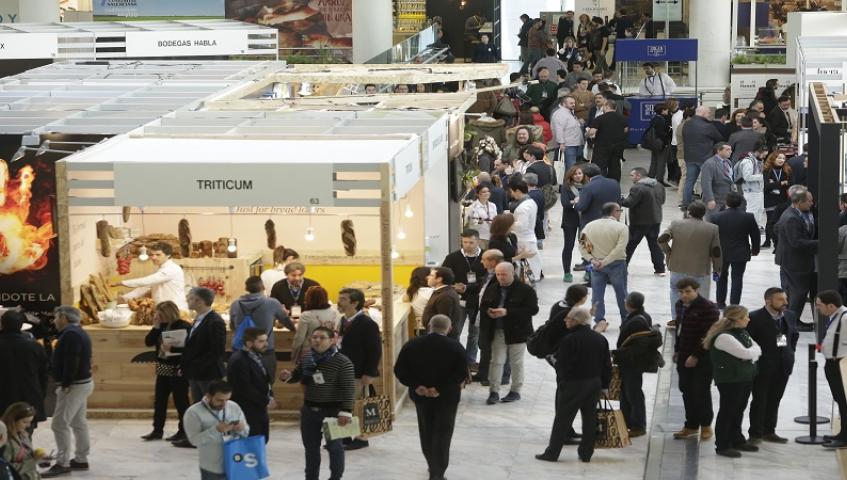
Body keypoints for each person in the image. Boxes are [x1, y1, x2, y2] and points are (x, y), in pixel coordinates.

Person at [394, 314, 468, 480]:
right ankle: (438, 472)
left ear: (429, 326)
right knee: (443, 433)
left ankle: (431, 464)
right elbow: (461, 373)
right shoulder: (455, 347)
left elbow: (400, 370)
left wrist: (417, 386)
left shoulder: (412, 344)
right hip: (446, 398)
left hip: (421, 397)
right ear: (449, 329)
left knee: (426, 430)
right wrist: (439, 388)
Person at [536, 307, 611, 463]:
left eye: (568, 318)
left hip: (574, 384)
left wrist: (553, 363)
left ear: (576, 321)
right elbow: (606, 365)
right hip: (594, 383)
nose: (565, 320)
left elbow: (562, 365)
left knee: (563, 419)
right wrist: (604, 385)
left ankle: (552, 453)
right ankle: (586, 453)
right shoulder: (600, 339)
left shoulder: (569, 339)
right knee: (590, 419)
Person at [279, 327, 355, 479]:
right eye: (314, 337)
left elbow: (349, 388)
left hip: (333, 412)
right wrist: (287, 377)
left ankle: (335, 477)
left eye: (321, 338)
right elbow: (298, 376)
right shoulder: (307, 358)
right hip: (309, 411)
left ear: (332, 340)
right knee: (311, 448)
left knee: (335, 447)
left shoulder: (343, 361)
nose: (317, 340)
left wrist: (346, 411)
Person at [42, 306, 93, 479]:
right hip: (82, 383)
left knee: (59, 424)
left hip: (74, 385)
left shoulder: (70, 335)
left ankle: (62, 463)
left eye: (56, 317)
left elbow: (73, 360)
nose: (54, 321)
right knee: (78, 422)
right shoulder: (77, 331)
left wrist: (65, 383)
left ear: (63, 317)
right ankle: (80, 458)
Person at [704, 306, 761, 458]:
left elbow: (757, 349)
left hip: (744, 377)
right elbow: (746, 352)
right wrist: (749, 354)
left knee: (738, 410)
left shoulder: (741, 332)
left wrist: (749, 354)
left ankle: (737, 439)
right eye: (745, 317)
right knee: (728, 411)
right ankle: (723, 445)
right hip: (730, 379)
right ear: (736, 319)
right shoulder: (724, 337)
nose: (748, 319)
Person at [479, 262, 538, 405]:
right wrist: (489, 312)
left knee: (516, 362)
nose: (500, 277)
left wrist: (507, 312)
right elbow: (483, 306)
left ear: (513, 273)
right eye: (498, 274)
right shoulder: (493, 288)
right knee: (497, 361)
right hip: (498, 330)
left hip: (518, 331)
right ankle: (494, 391)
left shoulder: (525, 290)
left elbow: (532, 310)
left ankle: (515, 391)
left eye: (504, 274)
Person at [746, 287, 798, 443]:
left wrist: (789, 352)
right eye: (780, 299)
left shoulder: (789, 315)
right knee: (760, 400)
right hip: (763, 367)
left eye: (785, 299)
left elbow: (793, 335)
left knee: (775, 399)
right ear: (768, 301)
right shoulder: (754, 317)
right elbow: (749, 342)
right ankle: (755, 433)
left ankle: (769, 431)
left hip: (783, 366)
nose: (785, 302)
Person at [672, 278, 720, 441]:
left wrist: (696, 355)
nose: (684, 295)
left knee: (701, 391)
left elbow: (708, 336)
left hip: (703, 357)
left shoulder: (708, 308)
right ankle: (691, 425)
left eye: (688, 291)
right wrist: (677, 350)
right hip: (683, 355)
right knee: (686, 390)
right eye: (681, 292)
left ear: (696, 290)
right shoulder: (679, 306)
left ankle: (706, 425)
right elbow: (679, 330)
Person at [659, 201, 722, 321]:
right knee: (701, 298)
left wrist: (669, 252)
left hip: (677, 267)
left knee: (676, 292)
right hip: (700, 269)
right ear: (703, 214)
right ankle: (698, 322)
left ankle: (677, 320)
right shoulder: (712, 228)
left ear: (688, 212)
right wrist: (717, 270)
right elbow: (716, 251)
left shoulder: (676, 224)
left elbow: (662, 239)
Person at [337, 288, 382, 450]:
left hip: (358, 372)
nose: (339, 302)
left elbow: (375, 350)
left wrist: (370, 373)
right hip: (343, 371)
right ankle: (344, 437)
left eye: (343, 299)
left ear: (355, 303)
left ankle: (362, 438)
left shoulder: (367, 323)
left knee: (359, 406)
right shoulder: (343, 320)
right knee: (344, 405)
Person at [142, 301, 192, 443]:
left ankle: (183, 431)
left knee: (180, 400)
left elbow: (189, 349)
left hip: (178, 367)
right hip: (163, 366)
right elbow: (148, 342)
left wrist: (173, 349)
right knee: (160, 400)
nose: (159, 317)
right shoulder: (161, 326)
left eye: (161, 314)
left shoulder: (184, 326)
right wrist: (156, 326)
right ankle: (157, 430)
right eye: (157, 314)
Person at [230, 276, 295, 381]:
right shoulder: (272, 303)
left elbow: (232, 326)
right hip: (264, 350)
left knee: (242, 382)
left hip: (241, 349)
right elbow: (287, 323)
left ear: (246, 288)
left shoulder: (235, 304)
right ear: (262, 287)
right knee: (266, 382)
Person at [614, 292, 660, 437]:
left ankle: (638, 425)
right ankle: (627, 422)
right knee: (627, 393)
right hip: (630, 362)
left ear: (629, 304)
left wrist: (619, 353)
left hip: (632, 363)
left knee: (633, 394)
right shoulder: (642, 316)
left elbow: (640, 346)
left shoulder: (637, 320)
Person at [183, 380, 249, 480]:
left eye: (227, 399)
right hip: (213, 468)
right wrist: (216, 430)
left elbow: (246, 432)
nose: (224, 404)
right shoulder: (193, 413)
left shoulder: (233, 406)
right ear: (208, 396)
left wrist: (242, 428)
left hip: (236, 462)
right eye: (219, 400)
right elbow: (194, 441)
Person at [579, 202, 628, 332]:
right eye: (620, 211)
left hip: (596, 265)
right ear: (614, 212)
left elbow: (582, 246)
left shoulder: (589, 226)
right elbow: (619, 249)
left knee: (597, 294)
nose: (620, 213)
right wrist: (605, 261)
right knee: (621, 293)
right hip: (616, 264)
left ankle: (599, 320)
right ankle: (626, 320)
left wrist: (593, 260)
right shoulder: (621, 228)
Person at [441, 229, 488, 359]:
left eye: (471, 242)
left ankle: (470, 360)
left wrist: (468, 287)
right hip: (457, 301)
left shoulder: (486, 257)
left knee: (474, 334)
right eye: (464, 242)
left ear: (478, 241)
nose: (467, 245)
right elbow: (444, 277)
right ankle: (455, 359)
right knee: (455, 332)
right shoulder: (452, 258)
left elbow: (488, 280)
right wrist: (453, 286)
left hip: (477, 302)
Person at [776, 186, 817, 327]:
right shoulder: (791, 218)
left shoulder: (800, 213)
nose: (812, 203)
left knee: (796, 293)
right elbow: (796, 242)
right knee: (798, 293)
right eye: (809, 201)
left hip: (798, 261)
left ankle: (792, 321)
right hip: (795, 262)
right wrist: (820, 243)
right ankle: (792, 323)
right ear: (799, 203)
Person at [0, 311, 48, 431]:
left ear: (2, 324)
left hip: (2, 399)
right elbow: (44, 375)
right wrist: (41, 395)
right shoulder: (35, 347)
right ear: (21, 325)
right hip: (29, 397)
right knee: (26, 435)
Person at [179, 287, 226, 408]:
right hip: (196, 372)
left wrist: (194, 365)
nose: (187, 300)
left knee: (210, 407)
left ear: (199, 301)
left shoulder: (215, 322)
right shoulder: (198, 319)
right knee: (198, 407)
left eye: (190, 298)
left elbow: (217, 351)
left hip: (208, 373)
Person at [227, 328, 273, 444]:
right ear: (249, 343)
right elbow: (244, 388)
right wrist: (265, 400)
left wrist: (269, 396)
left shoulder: (256, 356)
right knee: (251, 442)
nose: (266, 344)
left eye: (265, 341)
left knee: (261, 440)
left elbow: (264, 379)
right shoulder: (239, 360)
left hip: (258, 407)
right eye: (261, 341)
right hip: (248, 409)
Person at [473, 249, 511, 386]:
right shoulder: (488, 274)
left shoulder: (502, 276)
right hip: (485, 318)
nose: (481, 261)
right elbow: (481, 288)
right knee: (485, 346)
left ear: (493, 261)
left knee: (499, 350)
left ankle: (502, 376)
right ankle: (483, 373)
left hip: (497, 320)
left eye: (484, 259)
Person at [114, 241, 188, 311]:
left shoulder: (171, 269)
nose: (153, 257)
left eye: (158, 255)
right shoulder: (159, 269)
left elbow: (146, 281)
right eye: (152, 255)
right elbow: (146, 287)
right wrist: (125, 298)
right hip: (163, 309)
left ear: (168, 255)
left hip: (175, 309)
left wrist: (121, 283)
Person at [816, 290, 847, 448]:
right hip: (832, 363)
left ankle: (845, 437)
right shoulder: (834, 316)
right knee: (840, 400)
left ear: (831, 306)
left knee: (844, 400)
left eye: (819, 305)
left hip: (840, 365)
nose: (818, 308)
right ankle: (843, 433)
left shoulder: (845, 318)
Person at [622, 167, 666, 276]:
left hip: (640, 221)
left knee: (630, 244)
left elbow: (629, 203)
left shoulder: (637, 188)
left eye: (632, 175)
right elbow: (663, 200)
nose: (631, 178)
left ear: (638, 176)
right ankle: (660, 269)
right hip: (656, 219)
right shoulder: (659, 185)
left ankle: (622, 268)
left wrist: (620, 200)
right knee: (654, 244)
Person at [682, 106, 724, 208]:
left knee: (689, 181)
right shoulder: (708, 126)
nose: (709, 115)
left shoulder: (686, 124)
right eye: (709, 113)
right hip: (705, 157)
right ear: (704, 113)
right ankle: (708, 202)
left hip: (690, 157)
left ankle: (686, 203)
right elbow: (719, 138)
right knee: (707, 181)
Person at [292, 286, 339, 363]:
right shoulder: (335, 312)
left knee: (308, 373)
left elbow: (299, 338)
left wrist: (294, 353)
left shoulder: (306, 315)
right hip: (330, 350)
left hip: (309, 352)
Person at [509, 178, 542, 281]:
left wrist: (507, 223)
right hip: (529, 237)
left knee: (526, 272)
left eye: (512, 191)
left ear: (517, 191)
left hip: (523, 240)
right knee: (532, 268)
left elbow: (521, 226)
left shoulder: (523, 207)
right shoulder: (531, 201)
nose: (511, 194)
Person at [586, 99, 627, 181]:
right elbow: (626, 130)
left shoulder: (600, 118)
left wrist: (587, 134)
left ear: (607, 106)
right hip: (618, 146)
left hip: (602, 146)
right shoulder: (622, 118)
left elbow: (592, 132)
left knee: (600, 167)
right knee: (615, 167)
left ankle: (601, 184)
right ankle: (614, 185)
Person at [575, 163, 621, 230]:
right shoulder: (614, 183)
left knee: (586, 240)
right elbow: (618, 203)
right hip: (611, 224)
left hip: (591, 225)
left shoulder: (588, 187)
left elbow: (582, 207)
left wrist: (575, 203)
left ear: (586, 176)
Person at [560, 165, 585, 283]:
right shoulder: (566, 187)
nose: (578, 176)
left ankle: (588, 270)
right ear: (571, 175)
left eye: (580, 173)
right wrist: (576, 203)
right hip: (570, 220)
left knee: (587, 246)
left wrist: (575, 202)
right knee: (569, 246)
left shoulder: (588, 186)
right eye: (575, 174)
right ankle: (567, 272)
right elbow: (565, 203)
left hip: (585, 220)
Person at [421, 267, 463, 336]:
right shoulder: (441, 292)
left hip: (441, 338)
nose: (427, 277)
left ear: (439, 279)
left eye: (431, 275)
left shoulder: (445, 297)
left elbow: (443, 323)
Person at [2, 402, 39, 480]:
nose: (28, 425)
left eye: (30, 422)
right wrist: (33, 461)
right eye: (25, 422)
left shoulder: (24, 435)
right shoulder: (4, 442)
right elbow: (5, 469)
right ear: (12, 420)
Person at [763, 152, 792, 249]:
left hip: (783, 200)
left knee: (781, 221)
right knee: (770, 221)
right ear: (773, 158)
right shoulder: (767, 171)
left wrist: (775, 183)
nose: (781, 160)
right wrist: (781, 183)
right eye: (779, 158)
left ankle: (778, 243)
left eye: (783, 158)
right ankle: (768, 241)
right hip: (770, 200)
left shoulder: (787, 171)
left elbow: (790, 184)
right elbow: (767, 186)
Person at [700, 142, 736, 219]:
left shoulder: (728, 162)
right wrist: (710, 199)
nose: (730, 151)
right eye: (727, 149)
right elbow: (706, 183)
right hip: (715, 199)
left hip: (726, 199)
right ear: (719, 151)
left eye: (730, 149)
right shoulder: (709, 163)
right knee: (712, 222)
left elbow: (730, 179)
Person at [737, 143, 768, 230]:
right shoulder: (748, 161)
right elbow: (746, 177)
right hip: (751, 191)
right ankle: (748, 229)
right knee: (752, 211)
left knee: (760, 210)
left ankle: (755, 228)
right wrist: (762, 177)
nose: (764, 157)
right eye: (763, 155)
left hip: (758, 190)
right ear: (758, 152)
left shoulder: (757, 161)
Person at [550, 95, 584, 171]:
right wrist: (561, 143)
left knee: (572, 165)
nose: (573, 104)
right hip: (567, 144)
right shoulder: (560, 113)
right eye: (571, 103)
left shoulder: (569, 112)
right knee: (570, 166)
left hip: (573, 143)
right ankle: (568, 182)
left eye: (574, 103)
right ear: (564, 104)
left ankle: (570, 181)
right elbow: (559, 129)